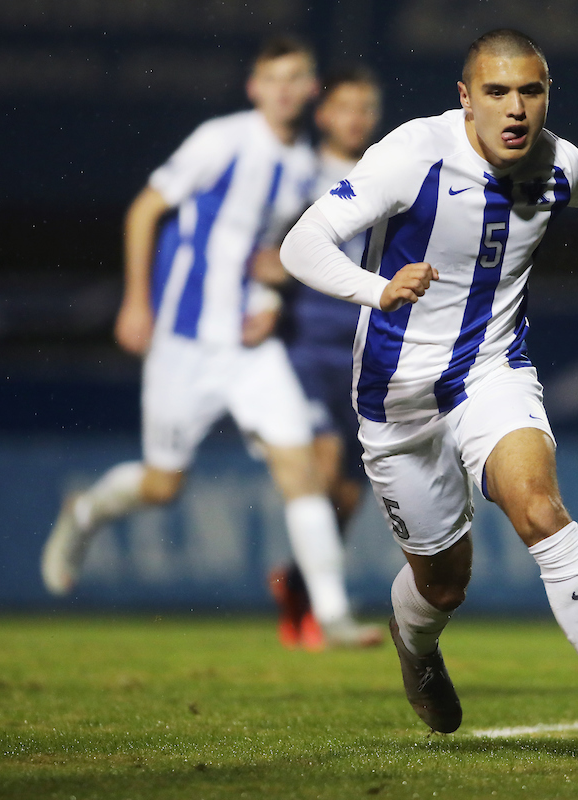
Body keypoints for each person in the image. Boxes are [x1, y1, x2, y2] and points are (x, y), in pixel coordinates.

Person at [279, 29, 578, 741]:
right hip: (396, 396)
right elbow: (300, 244)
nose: (515, 109)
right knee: (444, 582)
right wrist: (376, 290)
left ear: (546, 96)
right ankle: (417, 649)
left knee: (538, 506)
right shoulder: (413, 155)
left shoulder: (557, 161)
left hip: (491, 371)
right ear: (466, 99)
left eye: (530, 92)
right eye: (497, 92)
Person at [40, 37, 378, 648]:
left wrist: (271, 301)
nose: (282, 88)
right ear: (254, 87)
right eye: (271, 77)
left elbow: (274, 255)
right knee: (162, 485)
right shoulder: (220, 140)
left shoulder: (303, 166)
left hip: (250, 349)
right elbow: (145, 210)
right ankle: (85, 513)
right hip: (186, 341)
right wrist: (137, 300)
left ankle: (329, 615)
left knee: (299, 465)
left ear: (307, 91)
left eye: (295, 77)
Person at [254, 66, 386, 651]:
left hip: (368, 345)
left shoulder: (391, 176)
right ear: (323, 115)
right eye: (345, 106)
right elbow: (261, 248)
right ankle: (317, 610)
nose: (356, 118)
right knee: (323, 467)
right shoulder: (298, 176)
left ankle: (299, 584)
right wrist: (263, 289)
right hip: (309, 343)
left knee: (352, 493)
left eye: (366, 107)